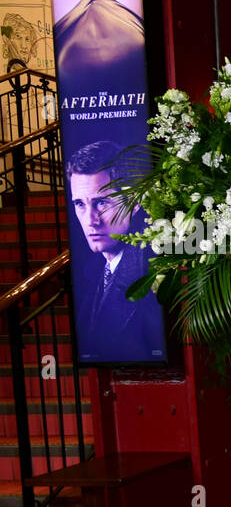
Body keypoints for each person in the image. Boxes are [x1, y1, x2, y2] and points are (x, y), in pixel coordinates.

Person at [66, 140, 166, 363]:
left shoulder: (151, 269)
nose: (91, 221)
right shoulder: (92, 273)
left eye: (101, 202)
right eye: (80, 204)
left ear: (134, 201)